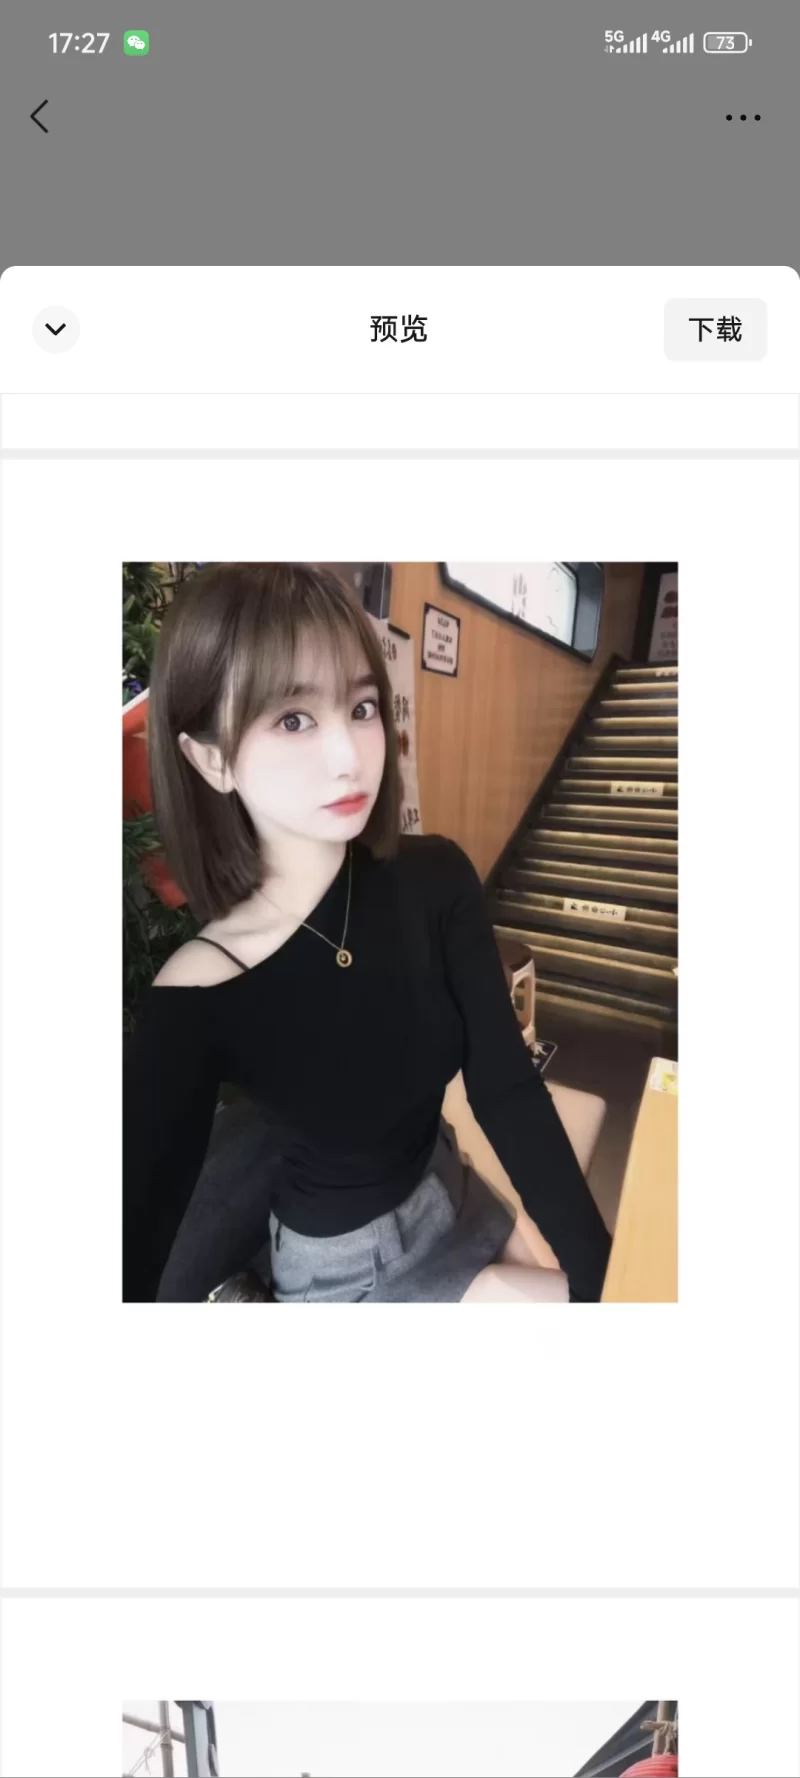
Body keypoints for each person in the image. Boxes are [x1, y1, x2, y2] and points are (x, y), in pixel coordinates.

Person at [123, 562, 611, 1303]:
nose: (350, 757)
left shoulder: (436, 878)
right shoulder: (198, 991)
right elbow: (133, 1240)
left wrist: (607, 1275)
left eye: (360, 707)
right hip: (348, 1270)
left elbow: (507, 1090)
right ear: (211, 759)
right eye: (293, 720)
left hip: (449, 1183)